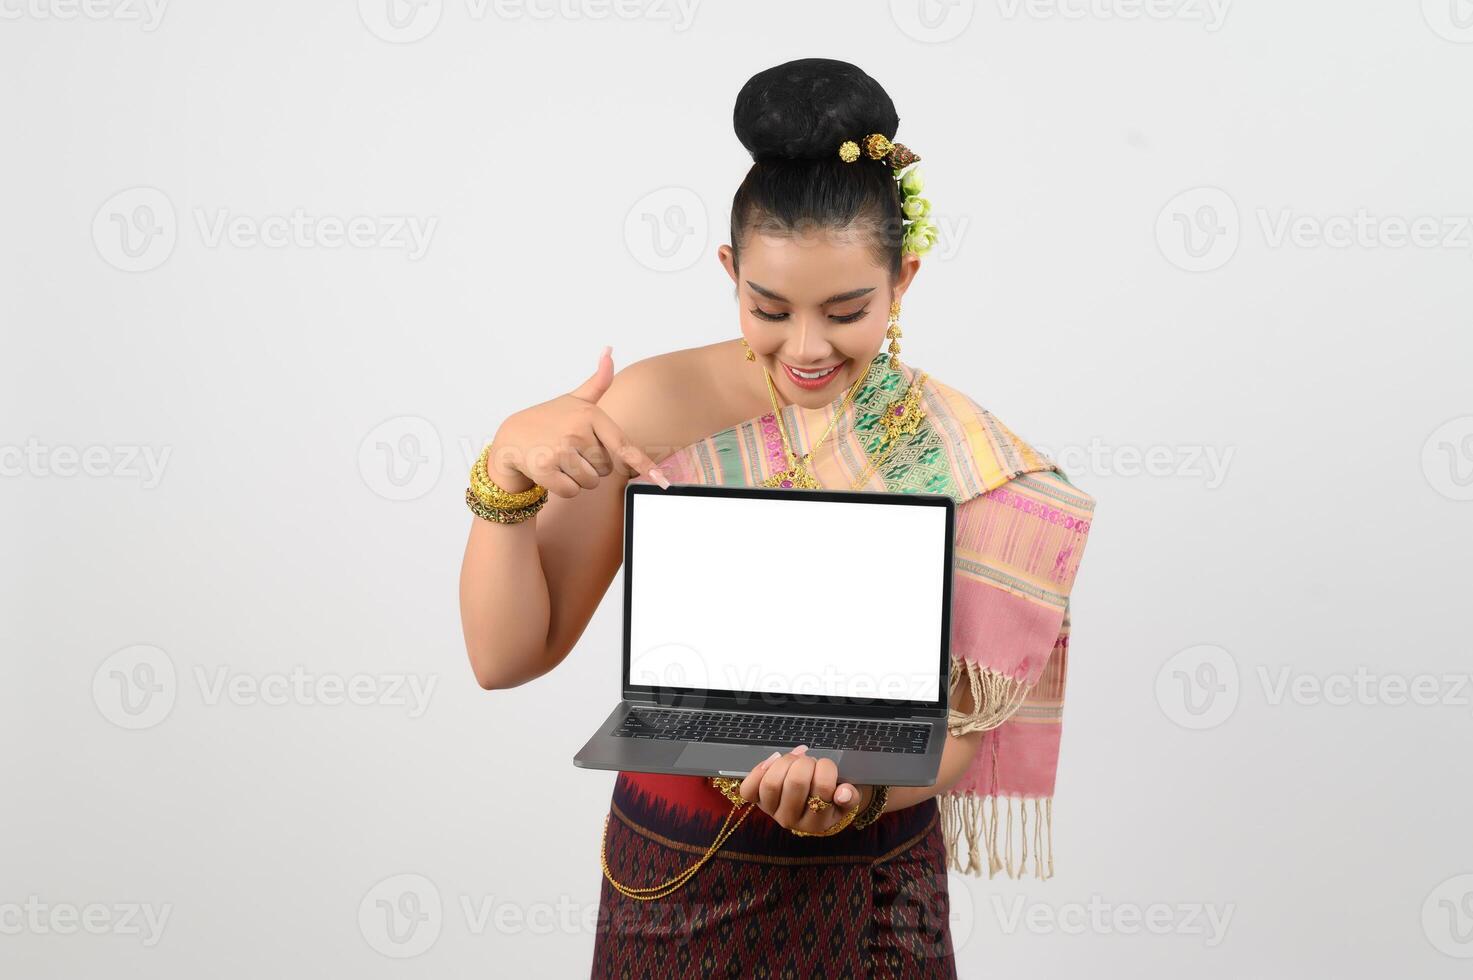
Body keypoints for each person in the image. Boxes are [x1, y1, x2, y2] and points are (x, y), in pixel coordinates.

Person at [459, 57, 1098, 978]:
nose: (804, 348)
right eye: (769, 307)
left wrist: (863, 796)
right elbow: (507, 656)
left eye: (846, 311)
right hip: (677, 868)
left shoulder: (950, 450)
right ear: (729, 271)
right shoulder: (652, 407)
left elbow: (955, 732)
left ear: (903, 279)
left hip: (882, 878)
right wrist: (502, 473)